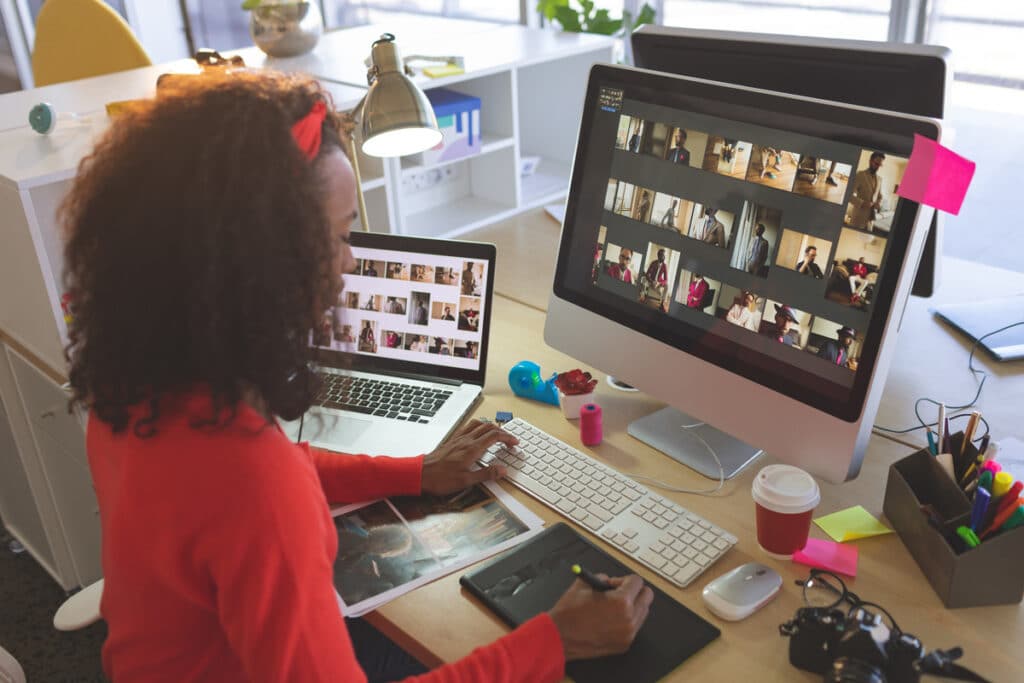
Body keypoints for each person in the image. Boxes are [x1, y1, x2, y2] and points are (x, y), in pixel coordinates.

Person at [60, 72, 653, 683]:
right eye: (339, 236)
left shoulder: (133, 390)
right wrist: (556, 642)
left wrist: (415, 472)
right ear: (259, 262)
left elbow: (269, 474)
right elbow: (260, 487)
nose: (349, 263)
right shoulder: (254, 485)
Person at [847, 152, 885, 230]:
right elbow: (848, 195)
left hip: (871, 219)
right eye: (876, 163)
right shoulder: (860, 175)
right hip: (858, 217)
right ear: (870, 161)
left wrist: (879, 203)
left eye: (880, 165)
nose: (878, 167)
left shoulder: (880, 179)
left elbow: (880, 196)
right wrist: (862, 203)